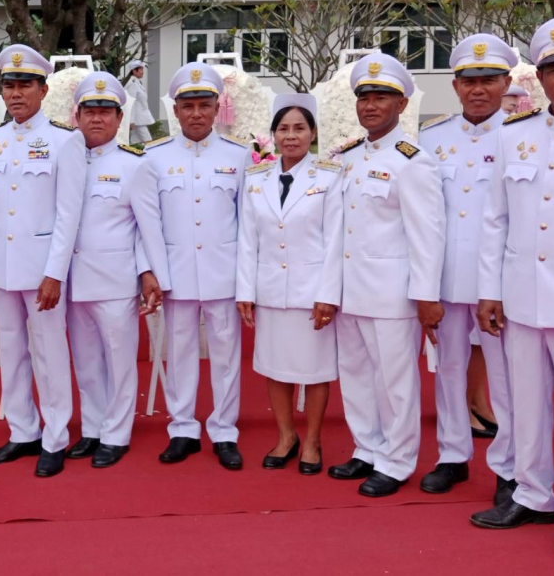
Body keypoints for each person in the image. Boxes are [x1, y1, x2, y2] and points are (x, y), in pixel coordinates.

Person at [471, 16, 554, 566]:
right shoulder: (513, 134)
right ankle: (533, 494)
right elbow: (494, 220)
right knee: (524, 404)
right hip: (520, 296)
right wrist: (488, 290)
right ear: (540, 78)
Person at [327, 54, 446, 498]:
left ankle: (397, 461)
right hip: (351, 288)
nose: (371, 105)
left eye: (382, 96)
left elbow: (427, 234)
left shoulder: (412, 160)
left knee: (395, 381)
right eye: (365, 97)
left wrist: (426, 295)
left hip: (393, 292)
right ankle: (367, 447)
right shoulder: (350, 157)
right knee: (356, 374)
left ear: (401, 103)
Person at [0, 44, 84, 478]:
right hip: (1, 264)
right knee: (11, 351)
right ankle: (22, 430)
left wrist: (55, 273)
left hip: (42, 270)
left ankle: (55, 436)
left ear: (43, 89)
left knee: (49, 353)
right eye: (9, 85)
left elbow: (68, 214)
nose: (16, 93)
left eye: (25, 85)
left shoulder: (64, 141)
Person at [416, 34, 518, 499]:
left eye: (489, 80)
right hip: (447, 277)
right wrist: (426, 288)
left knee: (506, 378)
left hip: (501, 283)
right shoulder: (431, 138)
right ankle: (452, 456)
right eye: (469, 81)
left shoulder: (522, 135)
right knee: (450, 369)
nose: (478, 90)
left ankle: (510, 466)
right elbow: (423, 218)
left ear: (506, 83)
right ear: (455, 86)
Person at [144, 62, 252, 470]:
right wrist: (149, 270)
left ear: (216, 108)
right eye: (187, 106)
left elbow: (248, 224)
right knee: (181, 351)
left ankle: (224, 430)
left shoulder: (238, 156)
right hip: (175, 272)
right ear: (175, 110)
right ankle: (183, 428)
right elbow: (144, 219)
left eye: (204, 105)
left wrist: (247, 281)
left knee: (226, 354)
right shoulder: (154, 158)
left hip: (224, 272)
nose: (196, 114)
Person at [63, 72, 168, 469]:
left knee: (119, 360)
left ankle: (117, 433)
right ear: (77, 116)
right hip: (73, 278)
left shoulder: (134, 165)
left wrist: (149, 273)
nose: (97, 119)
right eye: (89, 110)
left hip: (115, 279)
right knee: (86, 360)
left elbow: (147, 226)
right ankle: (92, 426)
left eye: (106, 111)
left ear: (120, 118)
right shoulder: (65, 160)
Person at [236, 94, 343, 475]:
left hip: (311, 292)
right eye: (283, 129)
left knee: (314, 370)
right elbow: (248, 241)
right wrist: (245, 292)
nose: (291, 136)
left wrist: (328, 295)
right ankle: (286, 436)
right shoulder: (255, 179)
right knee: (276, 367)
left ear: (313, 134)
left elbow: (336, 242)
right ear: (273, 135)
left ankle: (312, 439)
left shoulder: (330, 176)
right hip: (269, 290)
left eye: (299, 128)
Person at [124, 60, 156, 144]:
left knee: (135, 142)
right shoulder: (132, 83)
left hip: (139, 119)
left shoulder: (137, 82)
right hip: (137, 120)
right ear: (134, 71)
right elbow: (132, 102)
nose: (143, 72)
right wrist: (131, 120)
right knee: (149, 141)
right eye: (141, 70)